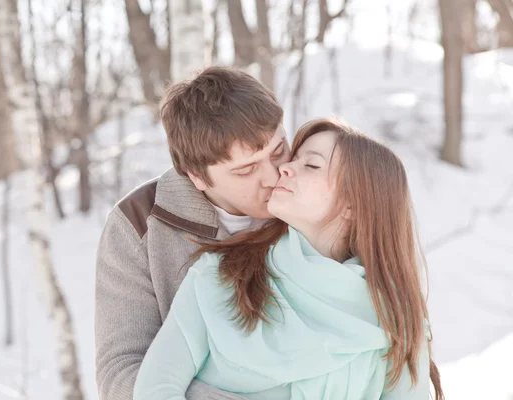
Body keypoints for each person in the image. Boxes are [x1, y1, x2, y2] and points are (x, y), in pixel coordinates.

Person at [133, 118, 445, 400]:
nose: (284, 168)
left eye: (311, 166)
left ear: (354, 204)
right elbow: (155, 388)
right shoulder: (221, 275)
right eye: (294, 158)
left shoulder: (395, 314)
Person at [94, 66, 290, 400]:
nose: (274, 177)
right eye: (246, 170)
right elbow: (121, 370)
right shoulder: (138, 225)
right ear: (196, 176)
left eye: (279, 150)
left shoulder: (318, 195)